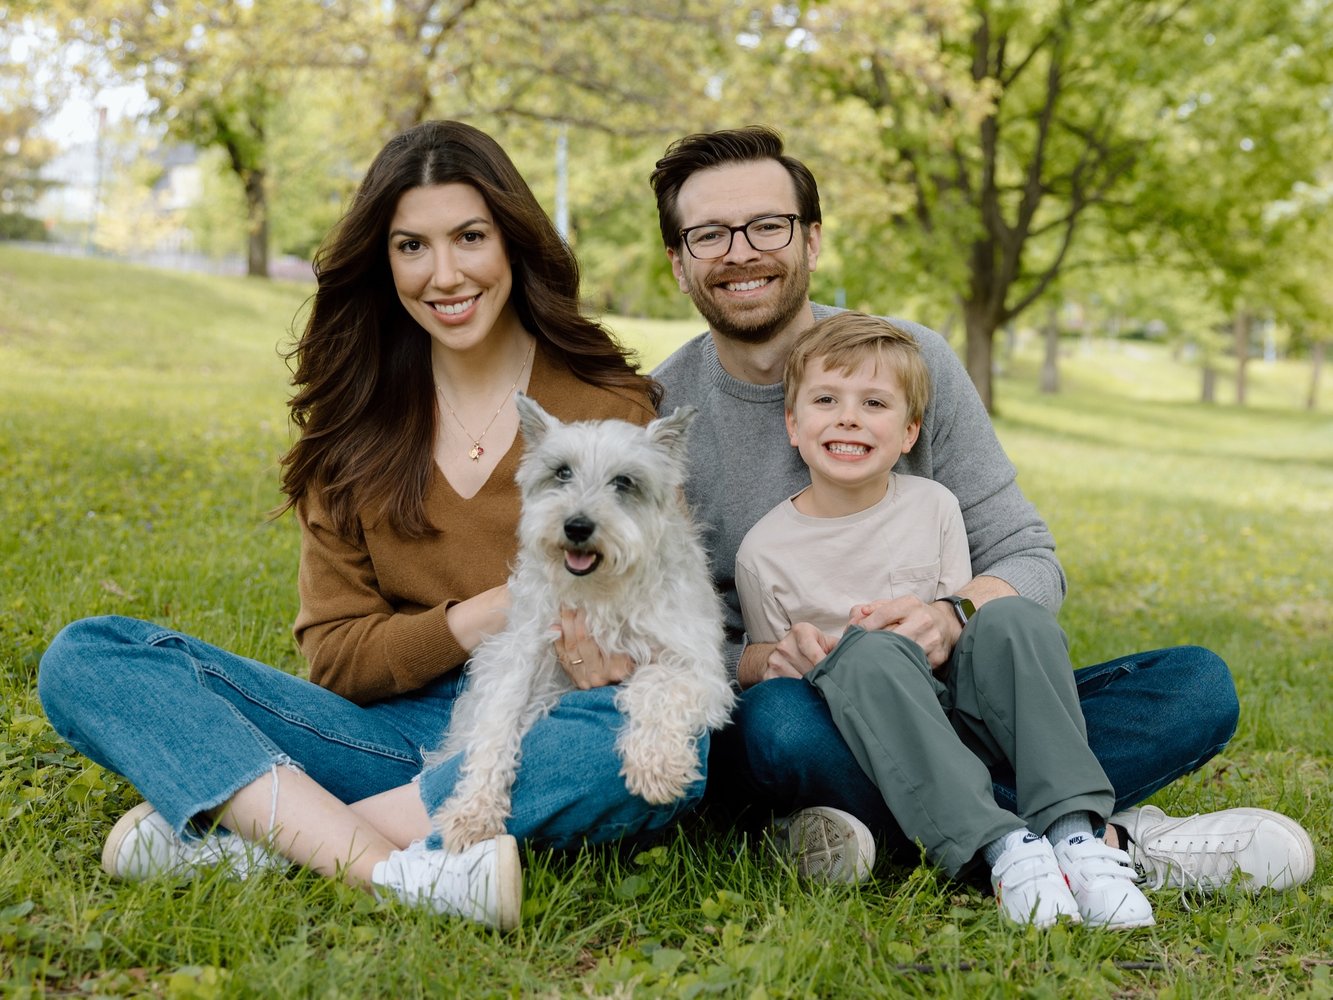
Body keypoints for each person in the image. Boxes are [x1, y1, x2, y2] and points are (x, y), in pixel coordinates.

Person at [37, 120, 694, 933]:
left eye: (470, 237)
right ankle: (397, 869)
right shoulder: (356, 424)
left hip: (549, 717)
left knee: (659, 754)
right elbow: (337, 655)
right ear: (383, 264)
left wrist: (607, 660)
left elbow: (659, 620)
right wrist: (483, 615)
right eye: (411, 246)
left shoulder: (607, 409)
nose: (444, 273)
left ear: (513, 243)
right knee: (88, 658)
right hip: (380, 731)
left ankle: (269, 839)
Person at [649, 125, 1315, 896]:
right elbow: (670, 644)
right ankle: (1100, 841)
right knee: (774, 730)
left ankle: (931, 833)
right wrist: (764, 661)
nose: (741, 251)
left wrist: (952, 615)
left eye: (768, 225)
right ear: (677, 261)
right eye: (708, 234)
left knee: (1195, 686)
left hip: (961, 699)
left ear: (811, 240)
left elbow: (1029, 559)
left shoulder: (910, 360)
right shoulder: (660, 421)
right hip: (818, 714)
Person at [735, 312, 1154, 927]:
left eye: (873, 402)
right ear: (793, 425)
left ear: (910, 433)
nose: (848, 417)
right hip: (866, 744)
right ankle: (1004, 846)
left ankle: (1074, 836)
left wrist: (947, 616)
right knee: (804, 702)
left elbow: (972, 642)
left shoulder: (934, 505)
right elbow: (774, 677)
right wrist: (796, 661)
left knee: (1014, 619)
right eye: (826, 400)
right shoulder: (763, 552)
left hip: (963, 721)